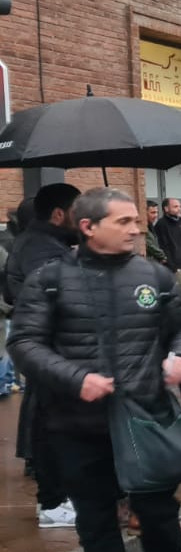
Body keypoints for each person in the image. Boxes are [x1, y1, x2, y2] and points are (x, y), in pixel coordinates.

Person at [8, 187, 181, 552]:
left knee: (157, 511)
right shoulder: (49, 279)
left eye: (137, 220)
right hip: (76, 422)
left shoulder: (153, 275)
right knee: (95, 519)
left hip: (144, 418)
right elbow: (24, 344)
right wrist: (77, 379)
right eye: (125, 222)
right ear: (88, 227)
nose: (137, 228)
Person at [6, 182, 82, 529]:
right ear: (58, 214)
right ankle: (52, 503)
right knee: (50, 424)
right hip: (47, 347)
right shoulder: (40, 249)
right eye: (77, 211)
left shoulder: (49, 244)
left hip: (49, 346)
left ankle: (59, 496)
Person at [152, 198, 181, 297]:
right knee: (174, 296)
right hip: (175, 268)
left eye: (180, 206)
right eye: (175, 206)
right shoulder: (161, 224)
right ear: (166, 209)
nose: (179, 209)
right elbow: (164, 246)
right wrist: (173, 266)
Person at [144, 201, 167, 265]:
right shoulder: (143, 228)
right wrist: (163, 256)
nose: (156, 215)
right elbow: (150, 245)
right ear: (144, 213)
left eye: (157, 212)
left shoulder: (151, 226)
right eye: (153, 212)